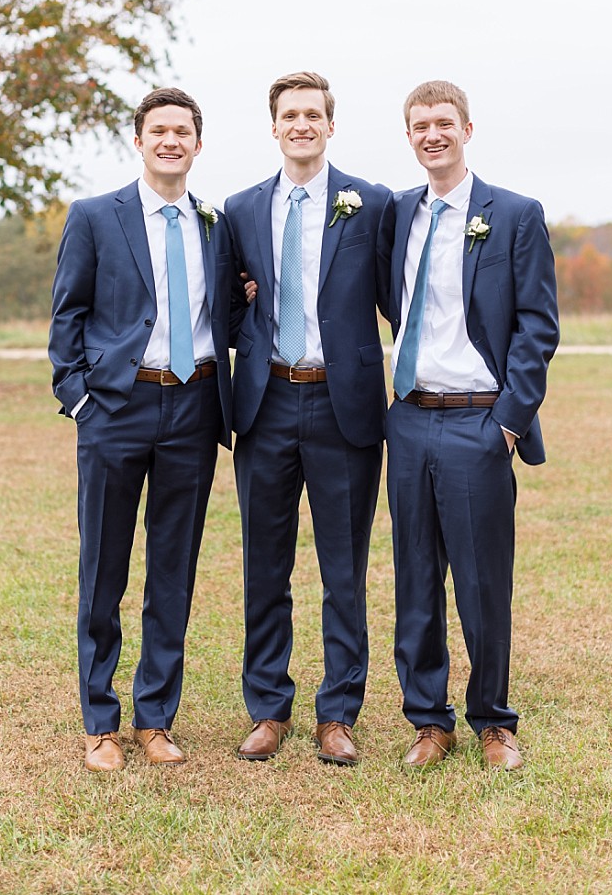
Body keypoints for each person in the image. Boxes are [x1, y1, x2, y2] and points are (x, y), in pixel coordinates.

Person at [48, 87, 245, 771]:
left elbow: (231, 317)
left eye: (182, 131)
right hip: (116, 407)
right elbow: (66, 315)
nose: (170, 141)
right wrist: (79, 398)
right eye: (158, 130)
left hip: (193, 408)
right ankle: (100, 720)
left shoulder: (218, 226)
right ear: (139, 140)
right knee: (103, 567)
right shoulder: (96, 216)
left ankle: (155, 718)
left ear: (197, 142)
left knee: (173, 570)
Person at [377, 81, 558, 771]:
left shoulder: (512, 214)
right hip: (410, 420)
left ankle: (492, 720)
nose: (433, 134)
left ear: (467, 128)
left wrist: (508, 423)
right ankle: (430, 720)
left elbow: (537, 327)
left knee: (482, 582)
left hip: (482, 422)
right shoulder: (395, 214)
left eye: (443, 122)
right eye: (420, 124)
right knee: (415, 578)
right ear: (409, 135)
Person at [224, 71, 392, 766]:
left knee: (342, 568)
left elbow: (400, 295)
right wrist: (248, 305)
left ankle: (338, 712)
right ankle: (268, 707)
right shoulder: (238, 209)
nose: (301, 124)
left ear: (330, 124)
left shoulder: (372, 204)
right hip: (264, 404)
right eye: (289, 114)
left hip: (343, 404)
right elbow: (218, 306)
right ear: (273, 126)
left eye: (312, 114)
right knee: (265, 566)